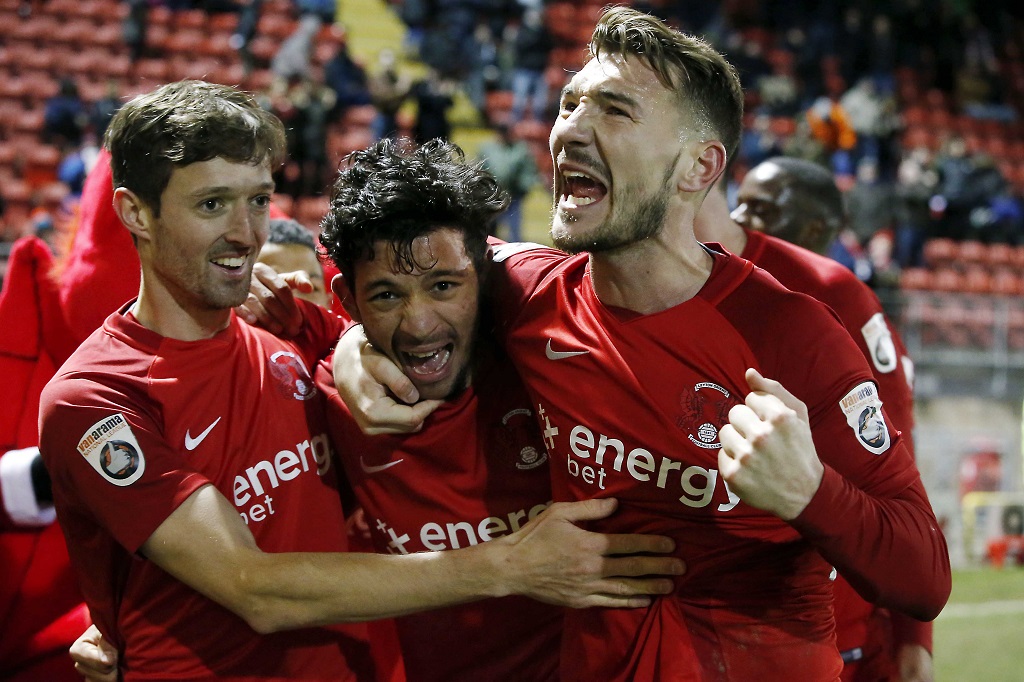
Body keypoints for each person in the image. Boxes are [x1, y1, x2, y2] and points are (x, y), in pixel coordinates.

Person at [331, 8, 950, 681]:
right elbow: (411, 278)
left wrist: (810, 491)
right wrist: (354, 344)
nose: (571, 129)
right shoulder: (530, 292)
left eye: (615, 110)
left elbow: (924, 578)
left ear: (697, 168)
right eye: (570, 104)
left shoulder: (787, 335)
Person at [38, 80, 683, 681]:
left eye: (257, 199)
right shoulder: (96, 399)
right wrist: (512, 563)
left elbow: (389, 304)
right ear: (136, 212)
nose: (245, 233)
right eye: (212, 204)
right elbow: (251, 587)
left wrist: (350, 342)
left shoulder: (293, 350)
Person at [316, 138, 562, 680]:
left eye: (444, 286)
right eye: (386, 296)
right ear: (349, 301)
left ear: (484, 279)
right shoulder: (327, 398)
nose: (420, 324)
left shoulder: (547, 368)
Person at [705, 156, 933, 681]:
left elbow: (898, 469)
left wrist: (913, 635)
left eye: (761, 209)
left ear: (812, 228)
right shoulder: (709, 277)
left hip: (833, 623)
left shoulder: (835, 295)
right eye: (740, 202)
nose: (740, 217)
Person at [476, 123, 541, 241]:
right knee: (489, 228)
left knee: (514, 229)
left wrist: (524, 187)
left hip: (513, 196)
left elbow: (528, 170)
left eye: (506, 131)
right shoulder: (488, 148)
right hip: (493, 196)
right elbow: (480, 169)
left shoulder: (519, 149)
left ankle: (515, 249)